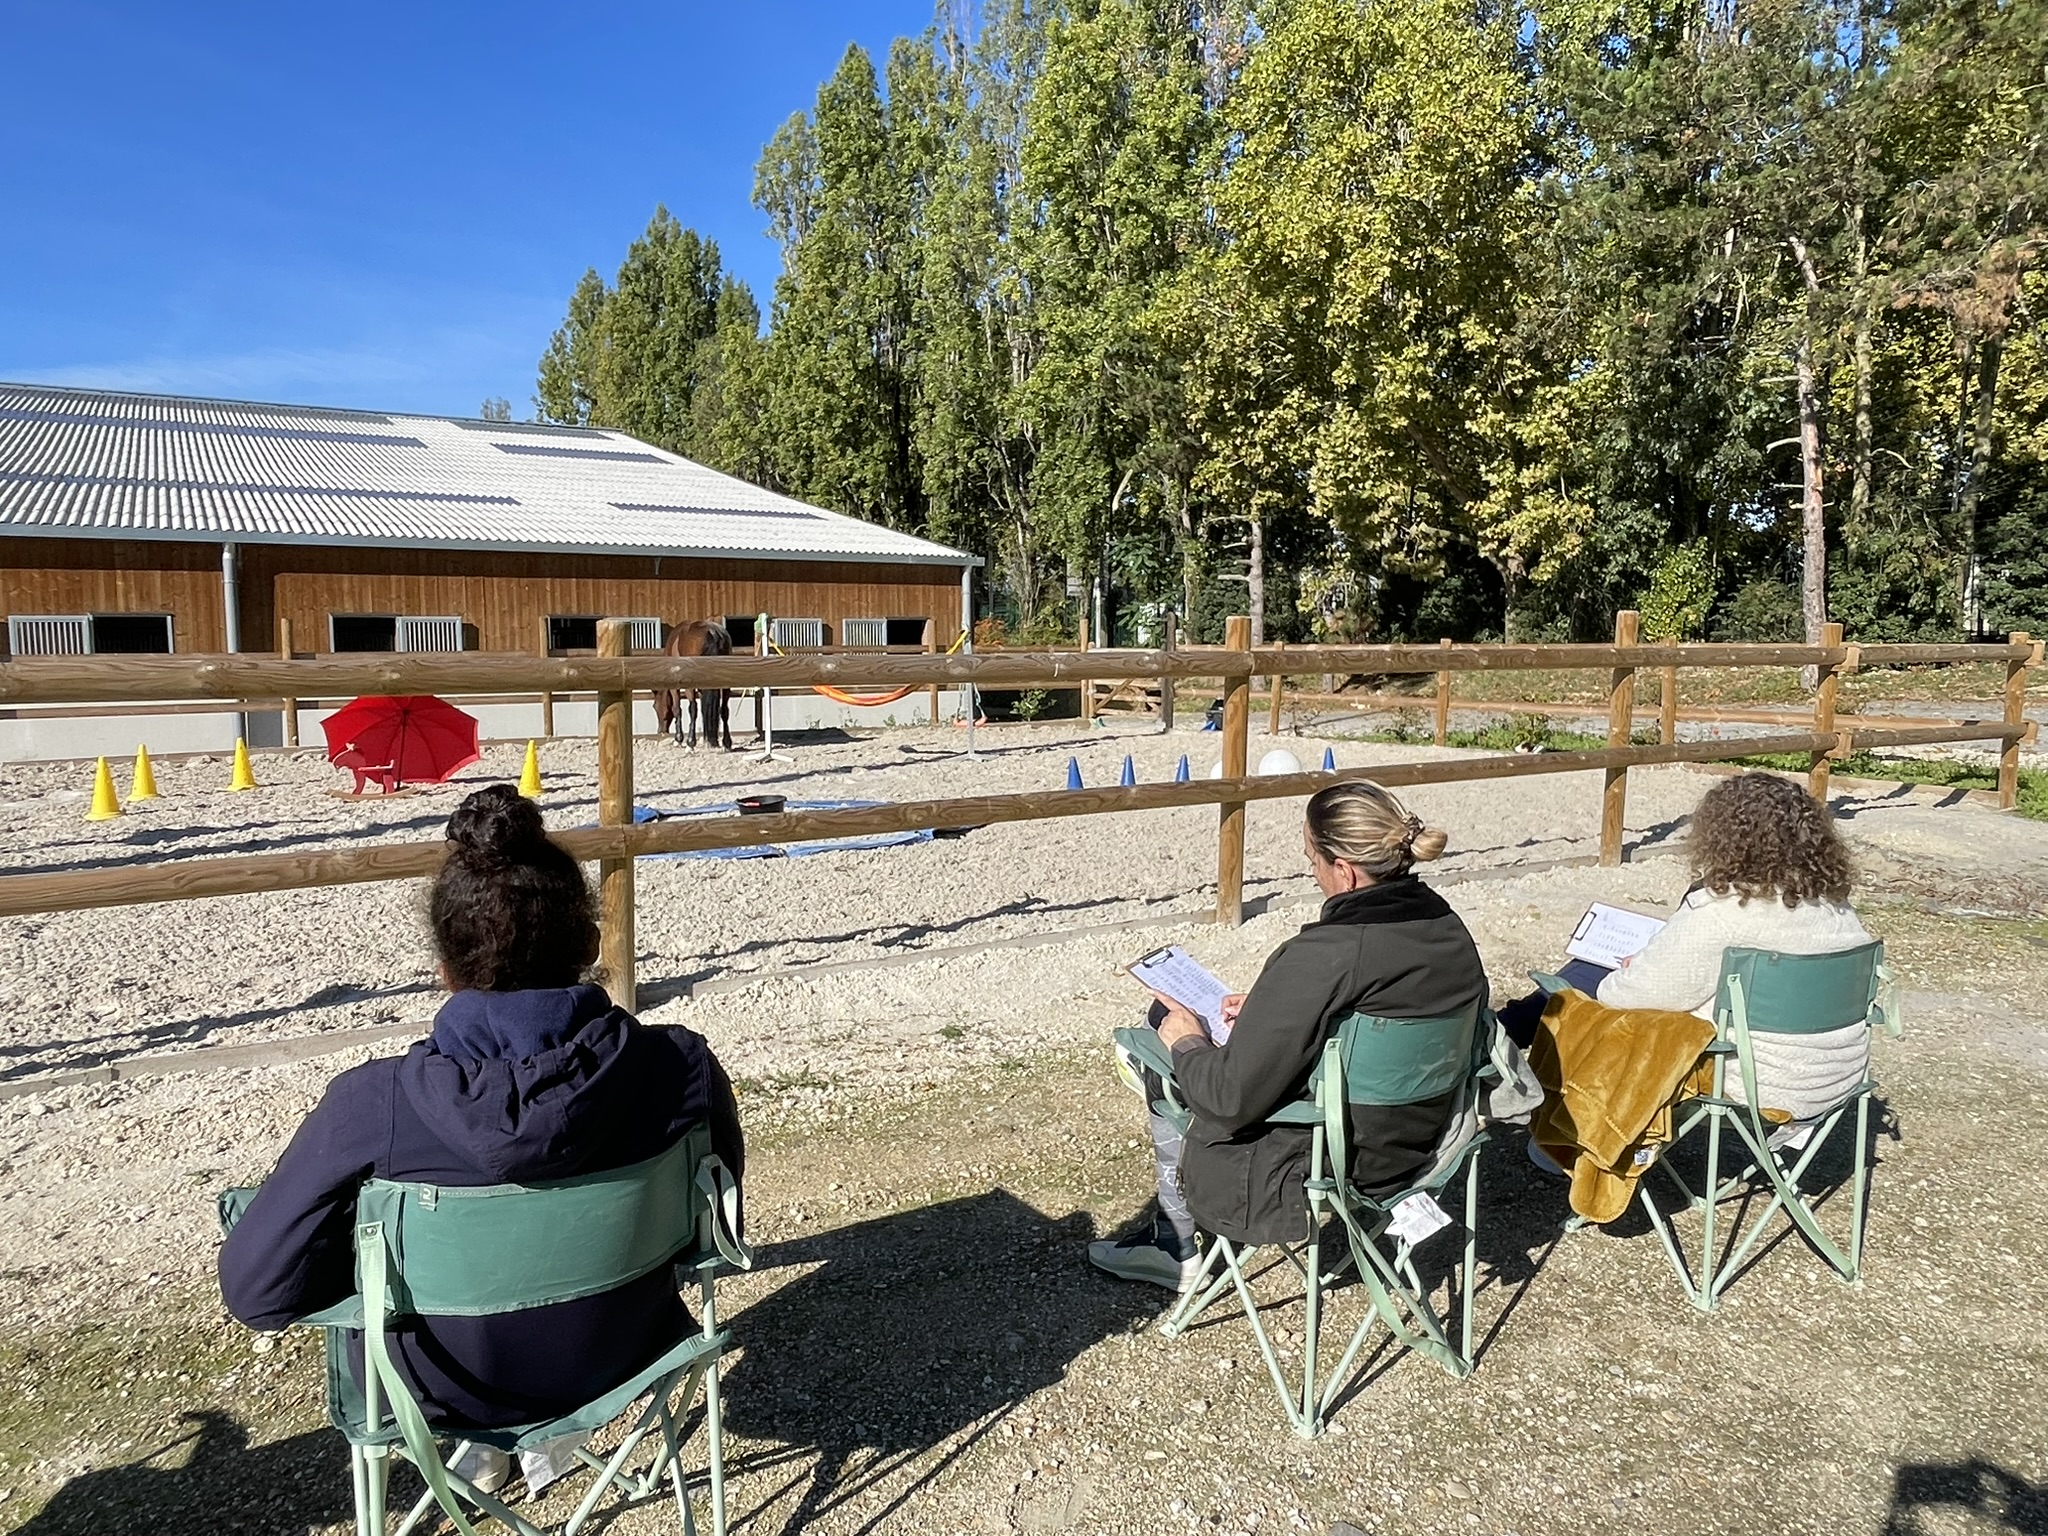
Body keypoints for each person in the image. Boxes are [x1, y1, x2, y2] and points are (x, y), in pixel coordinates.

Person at [218, 783, 743, 1496]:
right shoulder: (682, 1067)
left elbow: (258, 1293)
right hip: (626, 1354)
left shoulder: (371, 1104)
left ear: (444, 965)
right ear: (591, 944)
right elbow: (716, 1229)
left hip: (439, 1389)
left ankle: (486, 1450)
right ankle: (558, 1436)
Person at [1089, 781, 1490, 1291]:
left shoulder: (1329, 952)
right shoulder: (1447, 928)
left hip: (1338, 1156)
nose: (1313, 872)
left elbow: (1228, 1098)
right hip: (1429, 1138)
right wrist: (1276, 1007)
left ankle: (1179, 1244)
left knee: (1153, 1040)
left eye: (1311, 861)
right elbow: (1383, 1008)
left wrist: (1186, 1041)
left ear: (1343, 871)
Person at [1501, 771, 1873, 1121]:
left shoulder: (1722, 912)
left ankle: (1516, 1064)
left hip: (1753, 1084)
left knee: (1588, 978)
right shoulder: (1838, 910)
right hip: (1835, 1079)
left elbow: (1628, 996)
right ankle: (1503, 1032)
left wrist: (1629, 969)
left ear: (1722, 838)